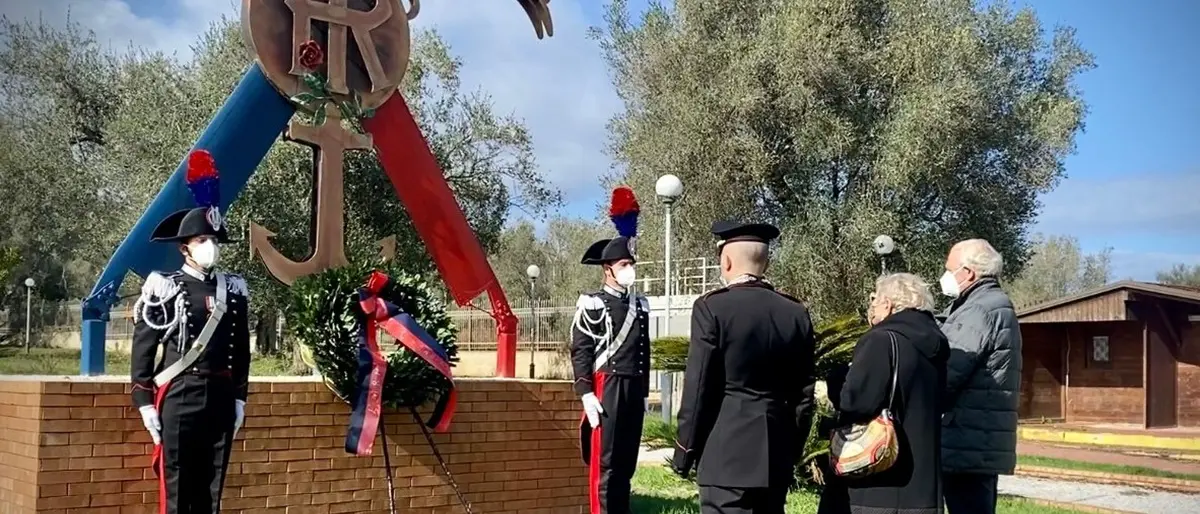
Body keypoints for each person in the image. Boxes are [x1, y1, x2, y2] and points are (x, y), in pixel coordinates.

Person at [672, 220, 817, 514]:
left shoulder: (712, 307)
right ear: (765, 261)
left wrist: (684, 450)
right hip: (774, 453)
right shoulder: (795, 312)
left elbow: (699, 387)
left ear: (726, 261)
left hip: (725, 453)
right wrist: (792, 448)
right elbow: (804, 395)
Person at [131, 201, 250, 514]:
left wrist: (239, 398)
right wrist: (144, 403)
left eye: (212, 240)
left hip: (221, 395)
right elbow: (143, 349)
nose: (210, 246)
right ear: (185, 249)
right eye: (201, 241)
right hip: (181, 393)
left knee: (213, 482)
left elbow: (240, 352)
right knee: (177, 481)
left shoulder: (233, 289)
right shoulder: (165, 287)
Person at [825, 273, 949, 514]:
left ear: (888, 304)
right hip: (924, 485)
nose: (870, 307)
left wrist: (837, 378)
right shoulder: (937, 343)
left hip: (878, 484)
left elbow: (855, 402)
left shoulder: (881, 340)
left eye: (874, 300)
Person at [938, 239, 1022, 514]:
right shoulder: (990, 303)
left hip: (966, 436)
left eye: (949, 269)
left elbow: (949, 369)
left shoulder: (979, 309)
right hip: (978, 436)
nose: (945, 276)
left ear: (968, 272)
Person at [572, 233, 651, 514]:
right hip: (608, 385)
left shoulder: (640, 305)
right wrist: (586, 393)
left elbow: (644, 351)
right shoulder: (592, 303)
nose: (629, 269)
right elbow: (581, 350)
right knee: (606, 464)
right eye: (623, 264)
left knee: (626, 462)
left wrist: (643, 391)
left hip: (632, 387)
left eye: (631, 263)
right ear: (608, 270)